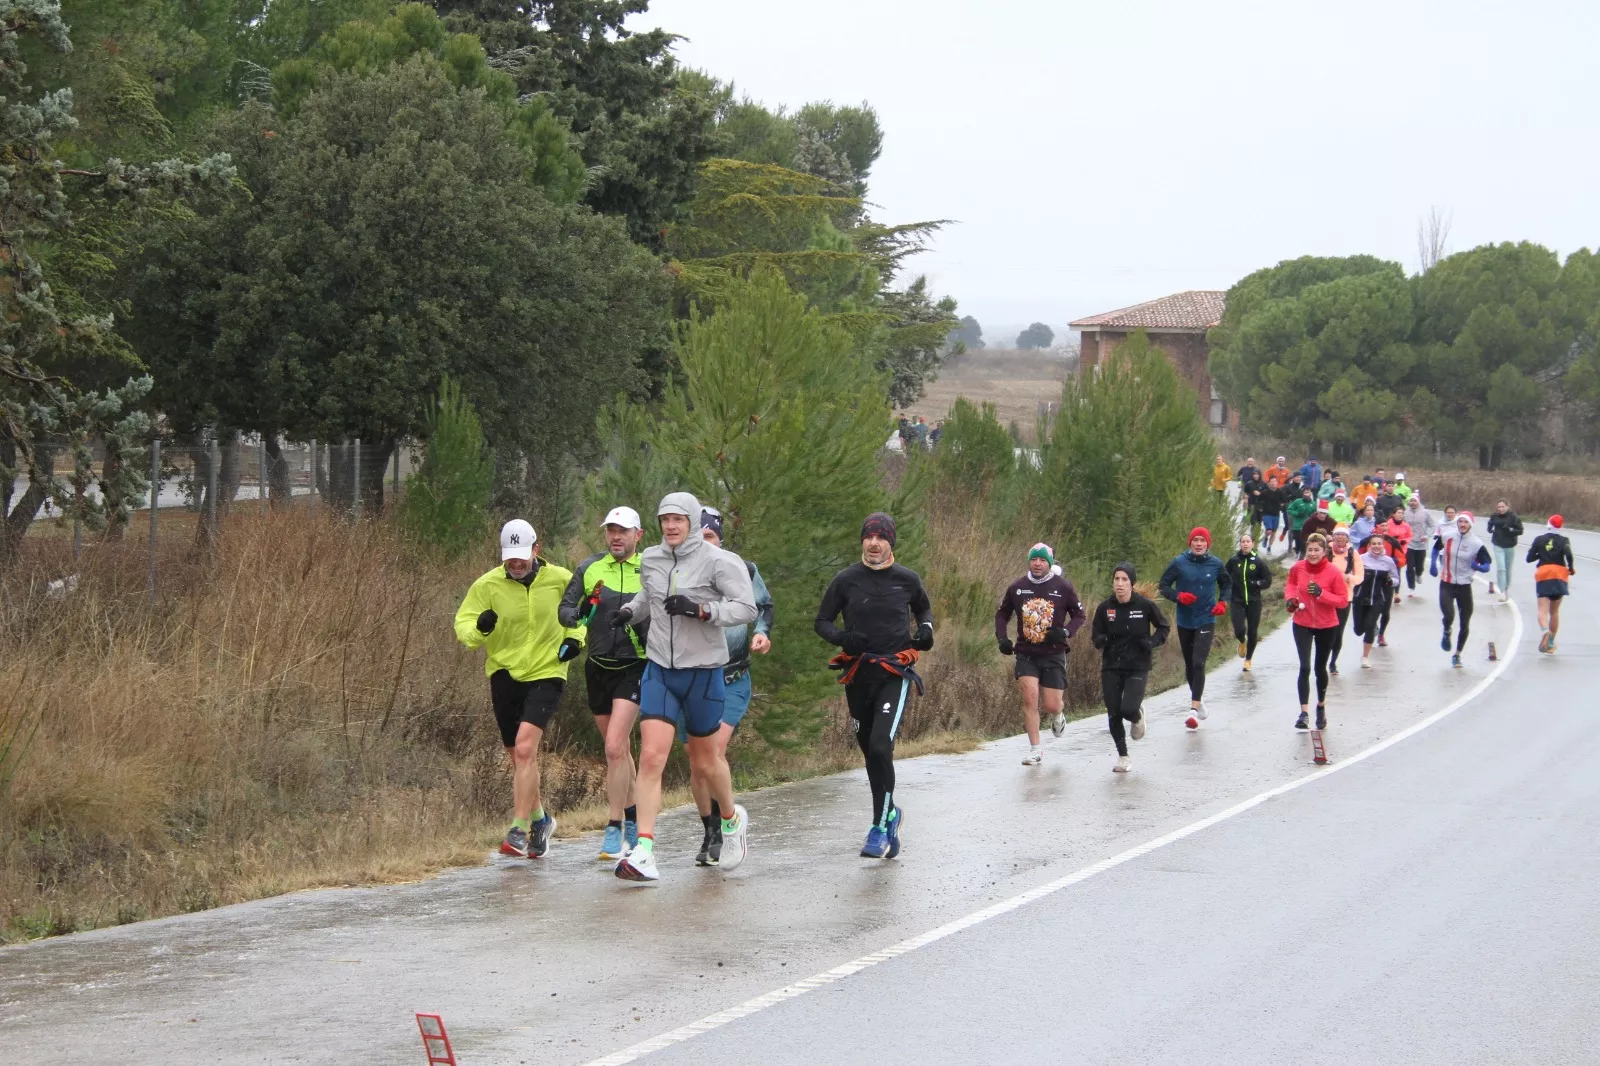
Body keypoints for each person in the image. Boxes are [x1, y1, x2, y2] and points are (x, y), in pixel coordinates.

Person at [610, 493, 756, 883]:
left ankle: (731, 819)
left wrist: (702, 610)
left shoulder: (719, 561)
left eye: (678, 519)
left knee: (705, 763)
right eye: (665, 520)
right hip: (660, 669)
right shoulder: (652, 559)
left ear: (691, 521)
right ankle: (644, 850)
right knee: (651, 758)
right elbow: (648, 596)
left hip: (703, 672)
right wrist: (629, 612)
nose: (671, 526)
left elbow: (746, 608)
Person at [454, 519, 584, 860]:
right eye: (510, 556)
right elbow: (464, 628)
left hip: (548, 669)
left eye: (522, 555)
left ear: (536, 550)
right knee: (518, 756)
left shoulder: (560, 579)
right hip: (505, 673)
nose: (515, 562)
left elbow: (581, 612)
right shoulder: (487, 585)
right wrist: (480, 628)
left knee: (526, 748)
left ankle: (518, 828)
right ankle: (541, 820)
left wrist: (575, 639)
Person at [816, 512, 934, 859]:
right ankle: (891, 814)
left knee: (882, 746)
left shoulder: (907, 579)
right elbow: (822, 621)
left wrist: (926, 630)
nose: (873, 543)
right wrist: (843, 638)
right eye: (869, 537)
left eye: (881, 537)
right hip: (858, 674)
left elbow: (924, 610)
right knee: (871, 753)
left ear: (890, 542)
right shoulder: (846, 580)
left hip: (894, 672)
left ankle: (879, 827)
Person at [685, 507, 774, 866]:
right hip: (693, 678)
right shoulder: (681, 571)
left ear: (719, 539)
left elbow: (764, 606)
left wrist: (762, 633)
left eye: (709, 536)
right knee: (696, 763)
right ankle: (710, 831)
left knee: (713, 752)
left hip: (733, 678)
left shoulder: (743, 569)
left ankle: (728, 824)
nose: (704, 543)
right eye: (698, 537)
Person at [558, 506, 647, 861]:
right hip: (597, 667)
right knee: (620, 752)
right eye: (611, 530)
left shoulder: (650, 567)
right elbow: (565, 610)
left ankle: (613, 826)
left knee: (613, 748)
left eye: (623, 531)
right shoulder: (589, 567)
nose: (616, 536)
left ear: (638, 535)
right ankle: (634, 819)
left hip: (635, 666)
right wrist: (578, 615)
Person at [996, 544, 1085, 764]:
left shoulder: (1062, 587)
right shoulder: (1017, 587)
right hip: (1026, 652)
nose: (1037, 564)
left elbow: (1079, 615)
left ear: (1050, 563)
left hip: (1054, 652)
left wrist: (1065, 632)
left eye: (1043, 560)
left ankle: (1058, 714)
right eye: (1034, 559)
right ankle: (1035, 749)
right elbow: (1002, 615)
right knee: (1029, 698)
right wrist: (1002, 639)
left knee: (1051, 705)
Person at [1090, 562, 1170, 773]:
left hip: (1137, 665)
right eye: (1116, 579)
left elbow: (1163, 627)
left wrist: (1151, 642)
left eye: (1124, 579)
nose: (1120, 583)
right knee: (1113, 713)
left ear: (1131, 583)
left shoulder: (1144, 606)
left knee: (1128, 710)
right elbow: (1095, 635)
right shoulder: (1105, 608)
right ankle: (1123, 756)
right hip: (1112, 665)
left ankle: (1137, 715)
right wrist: (1101, 640)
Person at [1158, 527, 1232, 728]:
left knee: (1199, 662)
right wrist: (1178, 596)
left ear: (1208, 543)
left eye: (1202, 540)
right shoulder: (1179, 562)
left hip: (1206, 618)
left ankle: (1192, 710)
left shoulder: (1216, 564)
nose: (1199, 544)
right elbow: (1163, 586)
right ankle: (1199, 702)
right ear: (1190, 543)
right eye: (1195, 540)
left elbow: (1227, 584)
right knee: (1190, 664)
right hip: (1185, 620)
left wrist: (1222, 602)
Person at [1284, 533, 1348, 731]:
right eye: (1309, 550)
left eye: (1316, 550)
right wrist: (1290, 599)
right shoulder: (1298, 568)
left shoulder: (1333, 572)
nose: (1312, 554)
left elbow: (1342, 600)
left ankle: (1320, 706)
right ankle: (1303, 713)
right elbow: (1291, 584)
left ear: (1324, 551)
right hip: (1302, 622)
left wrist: (1322, 594)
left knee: (1320, 669)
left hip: (1326, 625)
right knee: (1304, 667)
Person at [1431, 511, 1491, 668]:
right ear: (1457, 523)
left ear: (1470, 524)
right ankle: (1447, 631)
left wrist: (1478, 566)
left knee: (1465, 622)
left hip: (1464, 585)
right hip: (1447, 582)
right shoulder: (1447, 536)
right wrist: (1433, 564)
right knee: (1449, 615)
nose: (1462, 525)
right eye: (1460, 522)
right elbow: (1435, 548)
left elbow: (1487, 565)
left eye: (1465, 522)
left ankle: (1457, 654)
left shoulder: (1476, 543)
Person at [1224, 532, 1272, 671]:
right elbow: (1224, 576)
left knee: (1252, 631)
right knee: (1239, 629)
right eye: (1243, 541)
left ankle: (1248, 659)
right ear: (1240, 544)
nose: (1245, 544)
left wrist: (1257, 583)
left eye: (1248, 541)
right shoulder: (1233, 561)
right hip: (1237, 600)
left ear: (1252, 544)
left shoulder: (1258, 562)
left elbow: (1268, 580)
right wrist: (1227, 589)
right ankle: (1241, 640)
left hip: (1254, 601)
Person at [1526, 515, 1575, 654]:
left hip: (1544, 574)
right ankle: (1551, 642)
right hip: (1559, 575)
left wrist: (1541, 554)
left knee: (1542, 610)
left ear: (1548, 524)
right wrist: (1571, 568)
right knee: (1554, 612)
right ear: (1561, 526)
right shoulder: (1564, 540)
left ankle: (1544, 631)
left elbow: (1529, 558)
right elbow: (1568, 554)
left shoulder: (1539, 539)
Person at [1352, 534, 1400, 666]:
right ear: (1369, 545)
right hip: (1360, 598)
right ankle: (1369, 629)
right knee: (1358, 630)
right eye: (1374, 543)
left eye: (1379, 543)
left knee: (1370, 626)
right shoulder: (1361, 558)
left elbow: (1396, 578)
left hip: (1377, 599)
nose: (1376, 546)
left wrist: (1390, 581)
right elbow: (1352, 574)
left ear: (1383, 545)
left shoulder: (1388, 561)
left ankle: (1365, 657)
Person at [1326, 525, 1363, 675]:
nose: (1340, 537)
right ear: (1333, 536)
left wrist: (1349, 578)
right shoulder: (1326, 551)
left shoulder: (1353, 553)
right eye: (1337, 534)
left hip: (1344, 597)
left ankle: (1333, 662)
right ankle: (1322, 658)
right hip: (1326, 596)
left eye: (1343, 535)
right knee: (1325, 630)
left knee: (1338, 631)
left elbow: (1360, 577)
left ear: (1347, 538)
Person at [1486, 500, 1524, 601]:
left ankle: (1506, 588)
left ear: (1507, 507)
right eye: (1499, 507)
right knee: (1501, 568)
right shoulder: (1494, 516)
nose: (1500, 509)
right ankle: (1502, 591)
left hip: (1510, 545)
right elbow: (1490, 524)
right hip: (1498, 544)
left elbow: (1520, 531)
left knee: (1507, 569)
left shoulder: (1513, 517)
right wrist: (1490, 529)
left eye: (1502, 507)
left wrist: (1510, 530)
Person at [1403, 495, 1434, 599]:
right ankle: (1411, 588)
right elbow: (1402, 525)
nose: (1413, 502)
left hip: (1421, 543)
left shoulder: (1425, 512)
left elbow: (1432, 525)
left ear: (1418, 502)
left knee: (1419, 565)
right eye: (1411, 501)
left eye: (1414, 501)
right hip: (1409, 543)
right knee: (1409, 566)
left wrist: (1427, 536)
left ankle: (1419, 573)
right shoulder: (1405, 512)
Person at [1287, 487, 1318, 557]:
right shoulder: (1298, 501)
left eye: (1308, 492)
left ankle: (1303, 554)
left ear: (1311, 493)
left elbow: (1316, 514)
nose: (1307, 494)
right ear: (1303, 493)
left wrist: (1312, 516)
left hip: (1308, 527)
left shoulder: (1313, 503)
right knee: (1298, 541)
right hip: (1297, 526)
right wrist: (1297, 513)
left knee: (1306, 542)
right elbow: (1289, 510)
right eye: (1305, 492)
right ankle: (1297, 551)